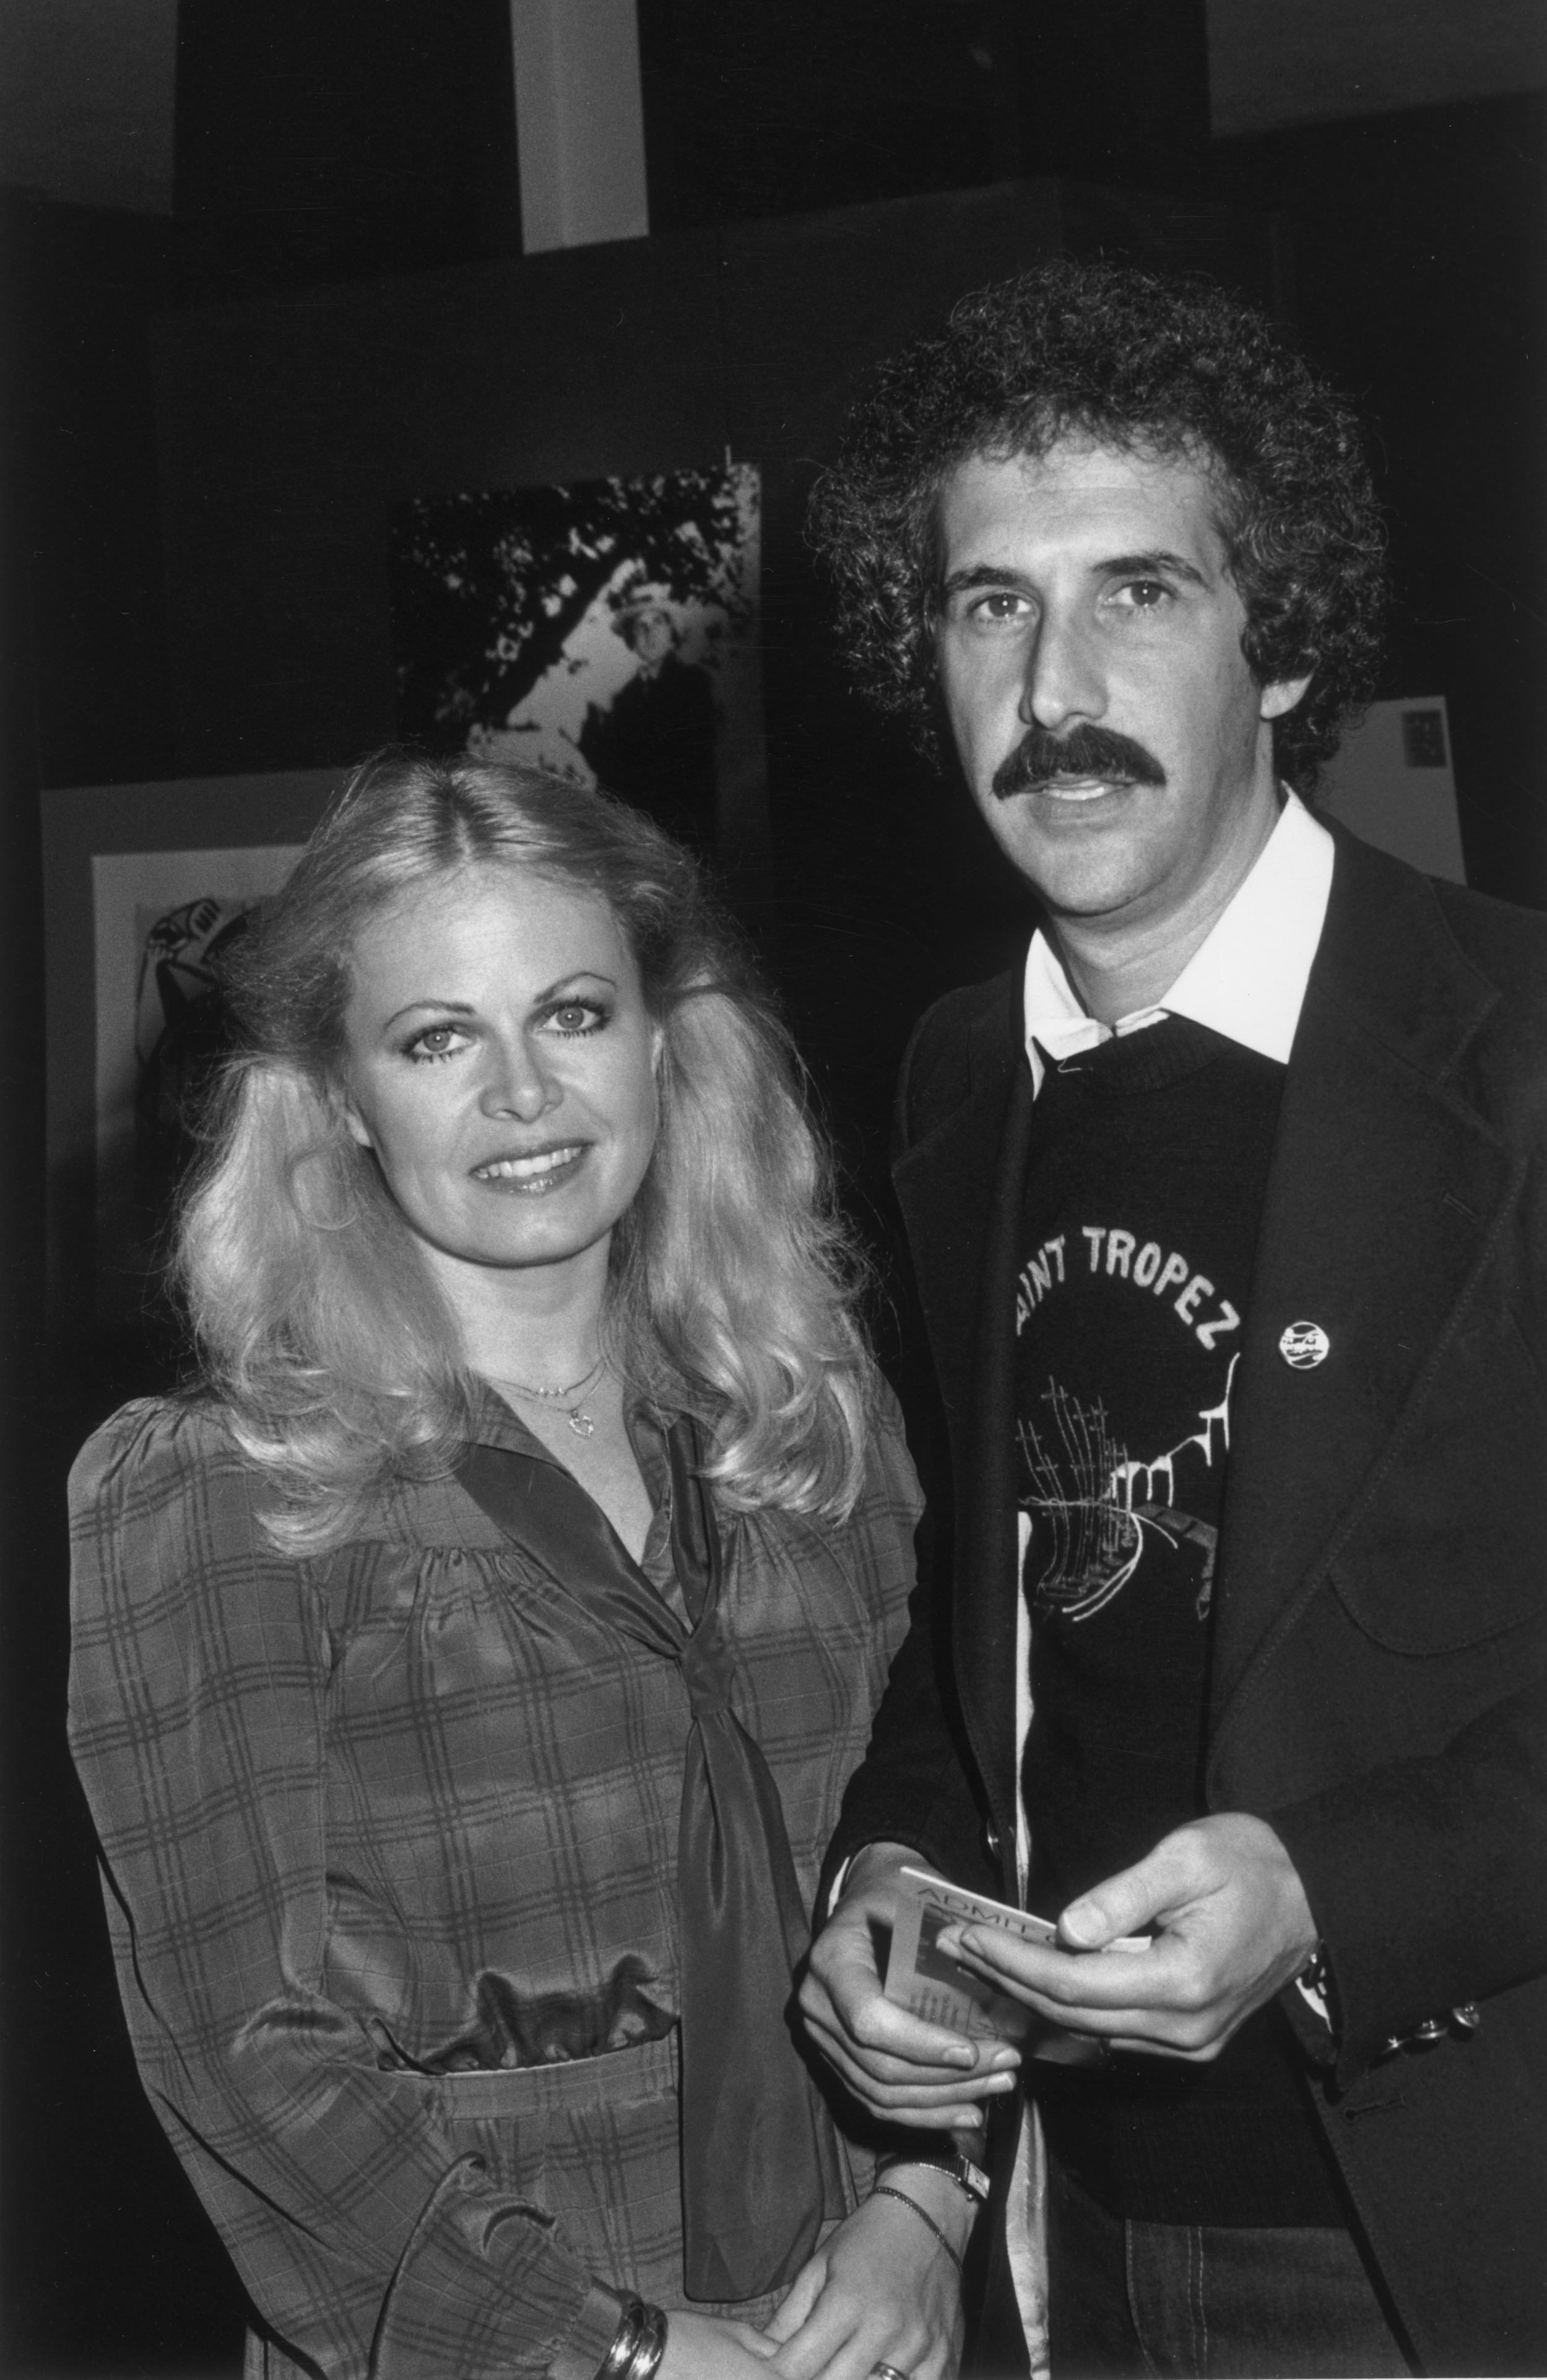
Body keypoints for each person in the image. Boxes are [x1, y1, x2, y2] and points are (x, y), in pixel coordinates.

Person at [795, 261, 1547, 2378]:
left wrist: (1329, 1892)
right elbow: (999, 1600)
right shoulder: (960, 1072)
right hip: (1072, 2230)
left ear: (1280, 636)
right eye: (984, 606)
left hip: (1441, 2234)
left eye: (1136, 591)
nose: (1051, 683)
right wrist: (896, 1875)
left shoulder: (1512, 1057)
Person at [67, 757, 968, 2380]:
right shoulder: (220, 1494)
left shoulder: (822, 1435)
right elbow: (243, 2054)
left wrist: (930, 2200)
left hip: (869, 2326)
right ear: (339, 1094)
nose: (523, 1093)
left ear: (657, 1037)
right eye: (435, 1039)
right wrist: (611, 2348)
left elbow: (963, 1833)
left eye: (570, 1013)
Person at [581, 587, 721, 861]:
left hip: (683, 832)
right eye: (640, 627)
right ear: (632, 640)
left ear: (672, 633)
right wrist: (596, 744)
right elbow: (611, 781)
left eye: (658, 622)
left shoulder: (694, 684)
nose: (649, 633)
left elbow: (686, 759)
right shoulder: (624, 700)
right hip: (636, 839)